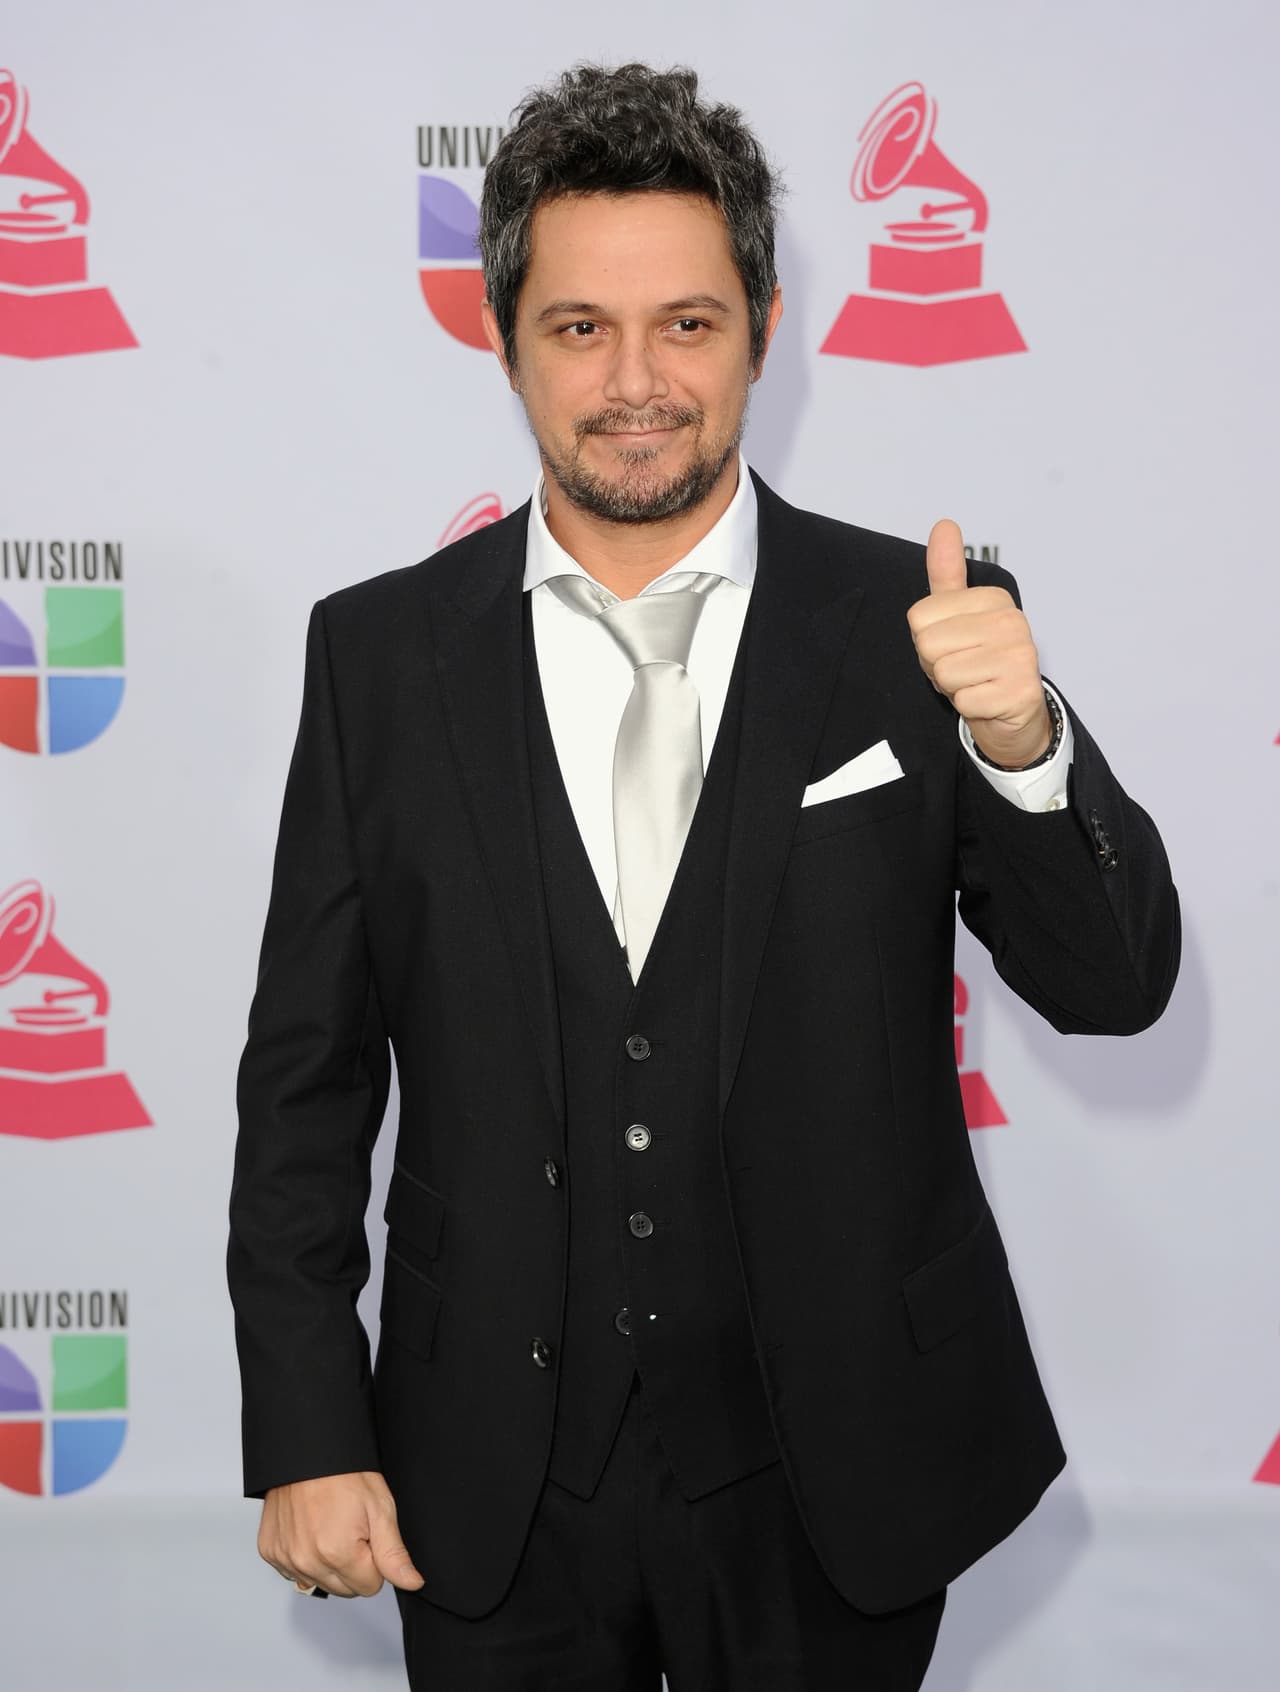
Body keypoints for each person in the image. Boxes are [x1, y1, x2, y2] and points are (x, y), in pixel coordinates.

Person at [228, 61, 1180, 1691]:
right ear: (503, 334)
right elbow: (306, 1087)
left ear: (764, 324)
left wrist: (1021, 736)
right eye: (580, 328)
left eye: (686, 323)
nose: (634, 382)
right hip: (489, 1481)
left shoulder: (919, 631)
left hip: (841, 1475)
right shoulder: (378, 655)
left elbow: (1112, 988)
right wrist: (307, 1424)